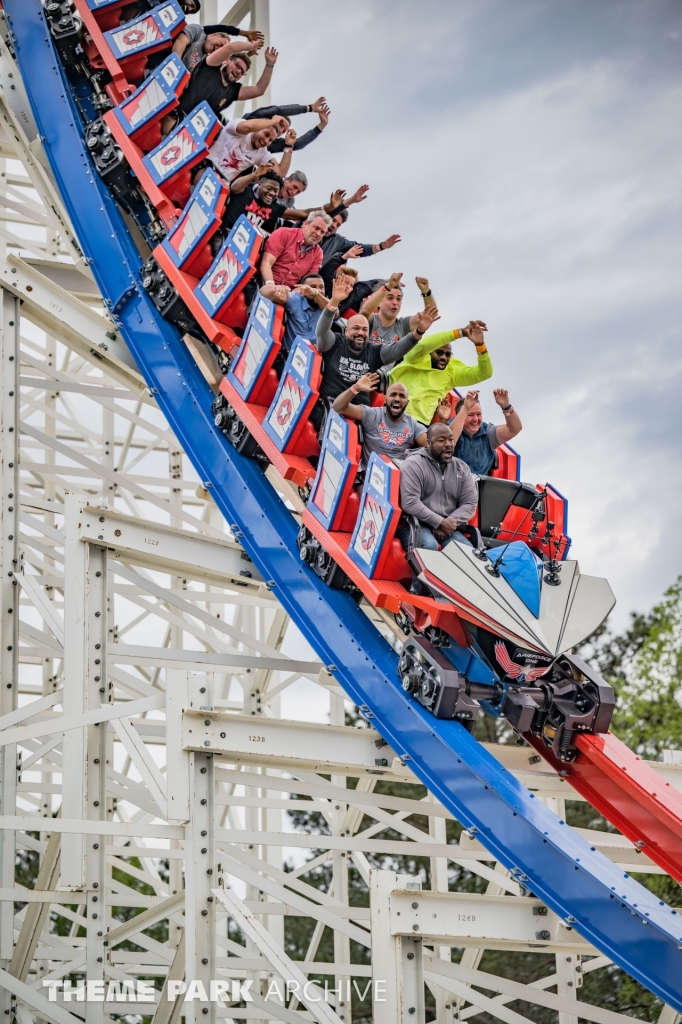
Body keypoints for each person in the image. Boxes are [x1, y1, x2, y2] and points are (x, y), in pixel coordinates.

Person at [311, 273, 440, 431]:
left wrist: (419, 331)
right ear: (345, 331)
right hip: (330, 403)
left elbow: (398, 349)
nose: (361, 332)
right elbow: (324, 330)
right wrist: (335, 301)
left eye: (364, 330)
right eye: (356, 328)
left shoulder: (375, 350)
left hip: (364, 401)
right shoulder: (337, 340)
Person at [397, 423, 479, 558]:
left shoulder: (462, 468)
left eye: (451, 439)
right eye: (442, 440)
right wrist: (439, 522)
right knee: (429, 545)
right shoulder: (413, 464)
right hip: (416, 524)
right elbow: (410, 502)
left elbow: (470, 503)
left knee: (467, 552)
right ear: (429, 443)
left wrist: (451, 521)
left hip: (449, 527)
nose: (449, 444)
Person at [389, 321, 493, 424]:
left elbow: (485, 373)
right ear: (430, 352)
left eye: (448, 354)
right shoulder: (416, 356)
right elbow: (425, 344)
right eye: (439, 353)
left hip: (420, 424)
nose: (444, 357)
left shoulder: (453, 370)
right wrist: (462, 332)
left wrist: (480, 345)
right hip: (395, 412)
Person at [332, 372, 427, 469]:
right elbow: (338, 407)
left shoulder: (413, 425)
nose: (397, 399)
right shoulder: (372, 415)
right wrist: (356, 388)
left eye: (402, 396)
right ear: (385, 399)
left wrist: (442, 420)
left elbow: (432, 446)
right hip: (370, 476)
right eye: (393, 394)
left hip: (399, 477)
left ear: (407, 403)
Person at [319, 194, 401, 290]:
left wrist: (382, 246)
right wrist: (348, 201)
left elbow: (362, 249)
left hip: (317, 286)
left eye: (338, 225)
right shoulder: (302, 226)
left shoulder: (338, 242)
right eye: (333, 220)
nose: (334, 225)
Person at [178, 45, 278, 121]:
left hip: (190, 130)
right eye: (237, 65)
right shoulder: (210, 67)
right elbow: (230, 47)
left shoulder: (232, 91)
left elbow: (259, 90)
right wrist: (251, 45)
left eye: (242, 71)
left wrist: (270, 64)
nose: (239, 71)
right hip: (176, 115)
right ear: (227, 61)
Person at [448, 388, 522, 476]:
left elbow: (514, 429)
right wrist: (465, 408)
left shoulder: (487, 432)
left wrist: (506, 407)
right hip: (453, 485)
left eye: (478, 414)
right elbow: (449, 442)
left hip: (478, 487)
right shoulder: (450, 428)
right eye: (470, 415)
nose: (475, 419)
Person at [207, 114, 292, 183]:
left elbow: (281, 173)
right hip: (206, 166)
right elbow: (249, 126)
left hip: (220, 183)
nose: (266, 141)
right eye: (266, 134)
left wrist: (289, 146)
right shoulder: (241, 126)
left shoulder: (262, 153)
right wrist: (273, 121)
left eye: (270, 140)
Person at [359, 273, 437, 345]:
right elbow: (365, 311)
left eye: (398, 299)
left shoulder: (402, 325)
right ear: (379, 302)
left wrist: (426, 291)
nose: (395, 302)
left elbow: (431, 314)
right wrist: (388, 286)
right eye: (390, 298)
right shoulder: (370, 320)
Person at [259, 211, 330, 290]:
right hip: (265, 283)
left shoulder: (318, 253)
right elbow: (266, 263)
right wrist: (271, 286)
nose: (318, 234)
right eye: (316, 228)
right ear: (305, 224)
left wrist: (292, 294)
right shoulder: (284, 233)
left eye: (322, 232)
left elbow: (307, 284)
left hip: (288, 294)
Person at [260, 273, 328, 354]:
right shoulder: (296, 299)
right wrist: (275, 288)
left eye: (321, 287)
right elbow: (263, 292)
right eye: (313, 287)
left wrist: (316, 294)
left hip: (313, 360)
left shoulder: (326, 305)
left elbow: (334, 311)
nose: (318, 290)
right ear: (303, 289)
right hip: (288, 355)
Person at [243, 100, 330, 155]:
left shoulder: (270, 145)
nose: (280, 130)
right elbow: (276, 110)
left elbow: (298, 144)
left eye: (284, 131)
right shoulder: (253, 119)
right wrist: (310, 108)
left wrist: (322, 125)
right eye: (281, 124)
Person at [173, 23, 264, 71]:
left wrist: (248, 54)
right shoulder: (199, 32)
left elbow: (230, 65)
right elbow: (181, 42)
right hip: (167, 65)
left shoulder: (206, 60)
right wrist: (175, 65)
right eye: (220, 44)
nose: (219, 49)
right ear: (214, 35)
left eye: (221, 50)